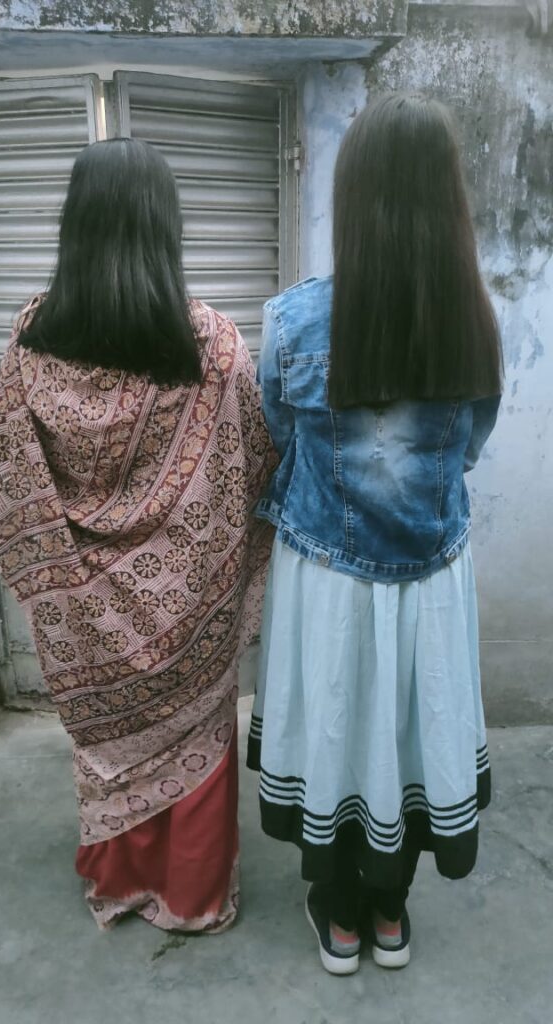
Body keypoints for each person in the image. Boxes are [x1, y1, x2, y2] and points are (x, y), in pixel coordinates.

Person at [0, 138, 276, 933]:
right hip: (189, 610)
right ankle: (192, 898)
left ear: (74, 227)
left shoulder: (31, 340)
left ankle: (121, 885)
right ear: (165, 227)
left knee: (107, 747)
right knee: (196, 739)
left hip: (80, 611)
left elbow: (9, 481)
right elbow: (255, 463)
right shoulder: (215, 345)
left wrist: (62, 586)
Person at [248, 93, 503, 974]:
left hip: (325, 575)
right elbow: (468, 450)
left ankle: (342, 916)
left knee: (335, 726)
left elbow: (280, 435)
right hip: (431, 575)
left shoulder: (290, 321)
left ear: (351, 194)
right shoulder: (477, 325)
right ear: (448, 197)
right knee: (408, 730)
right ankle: (392, 913)